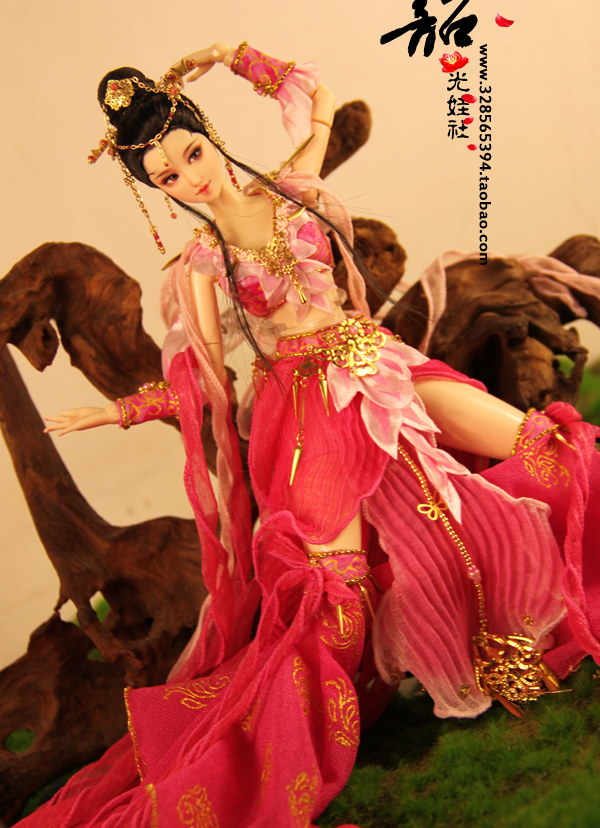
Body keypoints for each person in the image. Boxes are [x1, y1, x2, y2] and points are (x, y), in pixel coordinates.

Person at [30, 42, 600, 828]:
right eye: (168, 177)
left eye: (191, 153)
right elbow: (204, 378)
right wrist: (118, 411)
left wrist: (234, 56)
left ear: (209, 136)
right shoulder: (199, 264)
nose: (192, 178)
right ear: (157, 192)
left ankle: (534, 616)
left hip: (379, 363)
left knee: (549, 444)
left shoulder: (291, 188)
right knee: (335, 597)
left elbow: (318, 98)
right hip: (305, 412)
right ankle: (290, 744)